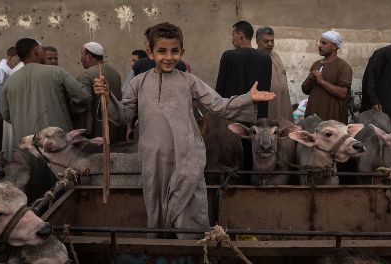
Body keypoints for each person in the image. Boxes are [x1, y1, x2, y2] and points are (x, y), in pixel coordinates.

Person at [93, 22, 275, 238]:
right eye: (162, 51)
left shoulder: (190, 82)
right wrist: (107, 96)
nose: (168, 57)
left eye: (174, 51)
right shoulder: (138, 84)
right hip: (154, 160)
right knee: (157, 210)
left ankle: (192, 259)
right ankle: (164, 258)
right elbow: (123, 116)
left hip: (187, 158)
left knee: (190, 213)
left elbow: (218, 105)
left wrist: (248, 97)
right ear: (150, 52)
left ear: (182, 52)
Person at [2, 37, 91, 145]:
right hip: (55, 145)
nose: (43, 52)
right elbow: (83, 96)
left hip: (26, 147)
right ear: (36, 51)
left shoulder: (10, 81)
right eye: (41, 49)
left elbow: (6, 115)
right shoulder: (56, 72)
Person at [215, 20, 272, 120]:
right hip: (257, 117)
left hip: (232, 116)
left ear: (240, 35)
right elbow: (266, 89)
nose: (232, 40)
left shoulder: (228, 56)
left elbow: (220, 89)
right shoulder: (266, 58)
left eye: (233, 36)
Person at [301, 31, 353, 124]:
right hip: (313, 116)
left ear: (334, 46)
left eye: (324, 43)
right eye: (320, 42)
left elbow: (343, 94)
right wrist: (310, 79)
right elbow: (305, 90)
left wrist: (322, 81)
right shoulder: (316, 64)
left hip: (332, 117)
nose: (319, 45)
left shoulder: (343, 67)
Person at [77, 41, 124, 142]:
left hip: (97, 134)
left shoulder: (86, 75)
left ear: (89, 57)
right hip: (116, 130)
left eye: (82, 55)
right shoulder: (115, 73)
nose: (81, 59)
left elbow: (83, 107)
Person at [256, 26, 294, 124]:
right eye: (266, 41)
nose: (270, 44)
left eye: (272, 41)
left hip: (283, 102)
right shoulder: (254, 58)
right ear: (257, 41)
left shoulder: (276, 56)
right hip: (267, 104)